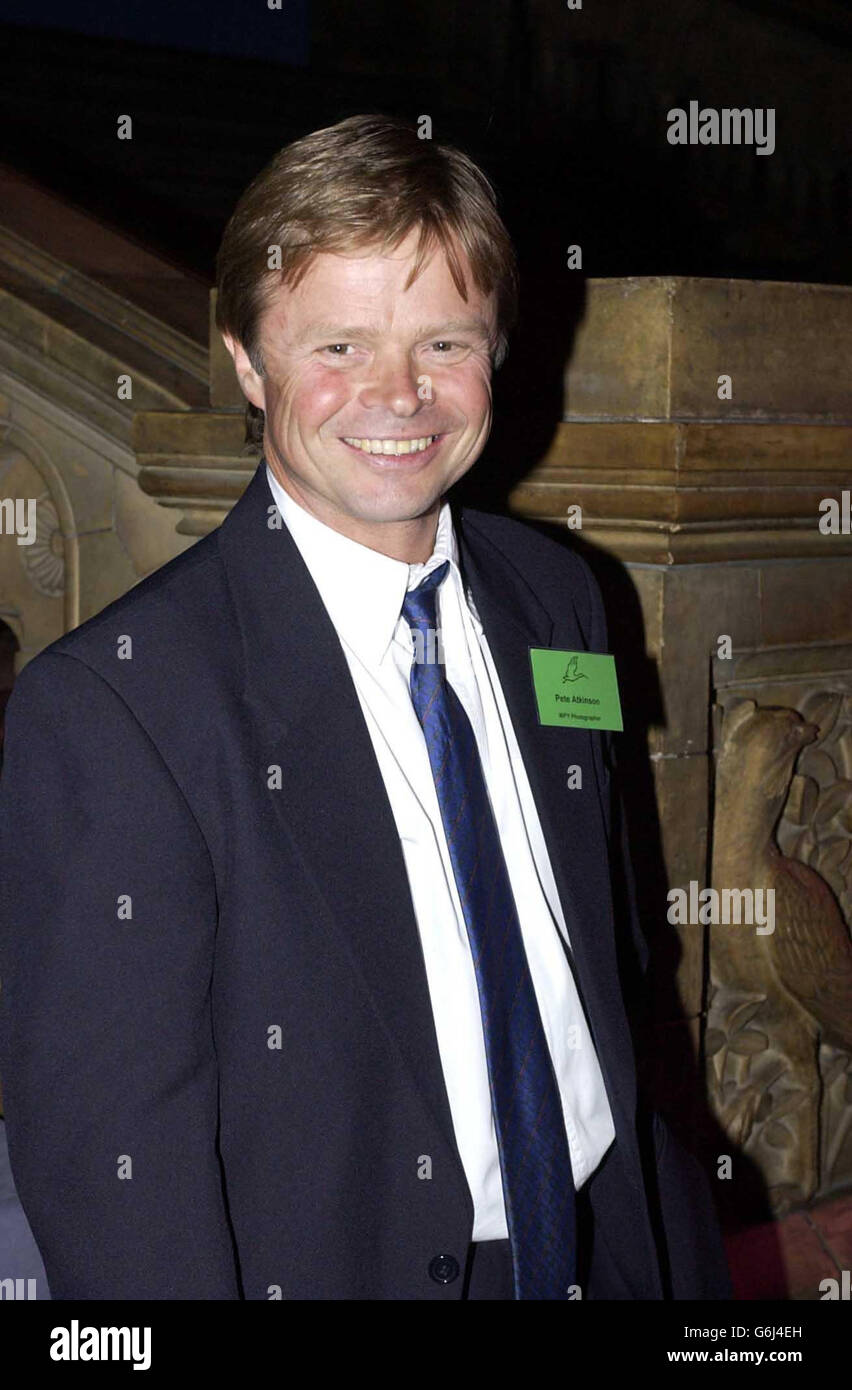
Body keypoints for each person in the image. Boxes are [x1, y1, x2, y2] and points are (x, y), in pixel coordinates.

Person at [0, 114, 731, 1300]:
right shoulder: (119, 705)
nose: (398, 394)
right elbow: (115, 1174)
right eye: (338, 344)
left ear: (500, 346)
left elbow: (605, 939)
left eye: (444, 340)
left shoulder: (563, 601)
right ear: (246, 357)